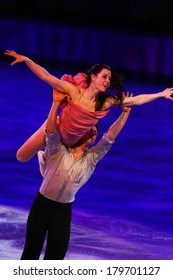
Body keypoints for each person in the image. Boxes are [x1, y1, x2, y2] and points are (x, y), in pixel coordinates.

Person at [4, 50, 173, 162]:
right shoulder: (74, 92)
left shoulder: (105, 102)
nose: (107, 81)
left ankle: (49, 156)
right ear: (93, 77)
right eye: (104, 77)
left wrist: (160, 94)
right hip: (53, 130)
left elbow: (135, 100)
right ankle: (45, 154)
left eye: (109, 79)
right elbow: (47, 77)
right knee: (21, 157)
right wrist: (27, 60)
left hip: (72, 143)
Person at [20, 89, 132, 260]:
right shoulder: (57, 149)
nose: (93, 132)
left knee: (55, 260)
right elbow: (50, 130)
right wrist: (56, 103)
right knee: (30, 255)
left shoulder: (92, 158)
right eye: (89, 129)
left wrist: (125, 113)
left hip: (63, 213)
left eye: (95, 132)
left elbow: (110, 136)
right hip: (41, 208)